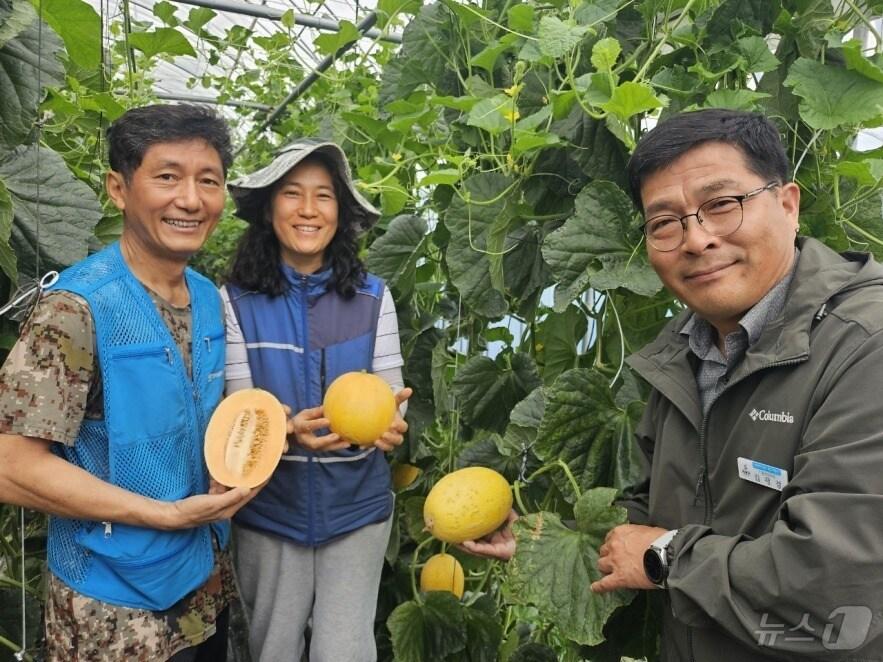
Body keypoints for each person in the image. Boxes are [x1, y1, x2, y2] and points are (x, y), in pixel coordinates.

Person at [464, 109, 883, 660]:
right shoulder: (687, 347)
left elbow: (837, 586)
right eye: (665, 222)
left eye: (721, 205)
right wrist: (552, 547)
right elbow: (656, 521)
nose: (696, 239)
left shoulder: (864, 345)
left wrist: (664, 557)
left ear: (788, 204)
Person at [0, 104, 269, 661]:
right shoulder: (77, 309)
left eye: (209, 181)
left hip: (202, 592)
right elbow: (10, 467)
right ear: (119, 189)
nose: (191, 200)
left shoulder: (206, 298)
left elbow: (196, 417)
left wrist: (282, 428)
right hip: (113, 614)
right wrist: (163, 514)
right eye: (167, 176)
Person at [221, 139, 411, 662]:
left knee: (344, 652)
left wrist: (393, 424)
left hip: (357, 510)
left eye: (323, 196)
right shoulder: (233, 301)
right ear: (268, 208)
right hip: (268, 512)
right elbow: (241, 413)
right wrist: (281, 429)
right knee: (270, 650)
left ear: (341, 212)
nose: (308, 209)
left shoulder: (375, 297)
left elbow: (391, 398)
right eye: (291, 194)